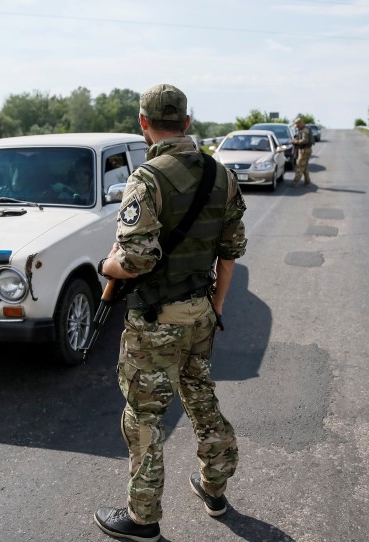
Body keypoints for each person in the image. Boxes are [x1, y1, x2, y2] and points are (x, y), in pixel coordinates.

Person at [93, 83, 247, 542]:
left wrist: (106, 265)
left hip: (156, 321)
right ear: (187, 122)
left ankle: (143, 519)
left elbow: (136, 259)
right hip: (200, 311)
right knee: (200, 396)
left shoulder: (147, 179)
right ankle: (214, 489)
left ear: (144, 123)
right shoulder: (223, 176)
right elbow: (231, 251)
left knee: (144, 416)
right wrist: (214, 306)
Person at [291, 117, 314, 186]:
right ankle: (307, 181)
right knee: (304, 167)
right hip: (304, 150)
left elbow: (305, 140)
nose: (297, 127)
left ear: (300, 123)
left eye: (297, 125)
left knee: (299, 166)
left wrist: (296, 142)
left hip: (305, 150)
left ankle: (294, 183)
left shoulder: (305, 130)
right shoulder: (302, 129)